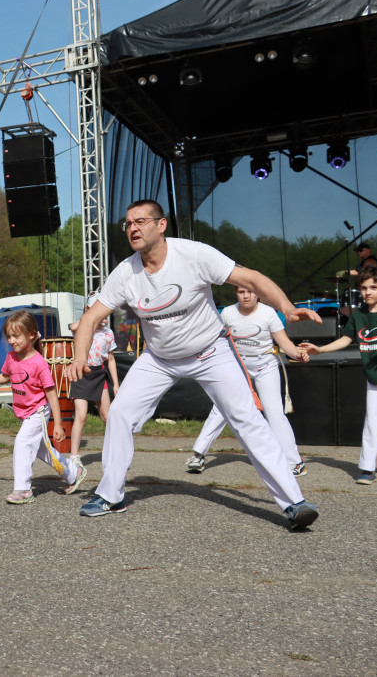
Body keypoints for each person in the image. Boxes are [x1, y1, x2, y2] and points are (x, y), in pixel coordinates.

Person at [65, 200, 320, 529]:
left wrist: (286, 307)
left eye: (140, 221)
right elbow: (90, 319)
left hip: (211, 352)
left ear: (161, 225)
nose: (133, 228)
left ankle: (293, 503)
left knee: (247, 420)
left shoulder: (194, 255)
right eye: (127, 224)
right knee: (120, 414)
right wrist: (79, 357)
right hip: (159, 359)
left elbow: (251, 277)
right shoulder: (126, 272)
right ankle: (111, 496)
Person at [185, 287, 309, 475]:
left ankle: (295, 463)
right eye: (241, 291)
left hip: (265, 365)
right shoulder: (227, 312)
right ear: (236, 293)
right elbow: (215, 338)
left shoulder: (268, 313)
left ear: (258, 293)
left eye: (250, 291)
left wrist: (298, 355)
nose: (245, 295)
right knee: (221, 407)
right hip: (237, 365)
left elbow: (284, 343)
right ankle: (198, 455)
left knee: (274, 412)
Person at [0, 311, 85, 503]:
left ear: (31, 334)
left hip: (38, 412)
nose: (12, 341)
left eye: (16, 336)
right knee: (43, 450)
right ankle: (73, 473)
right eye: (9, 336)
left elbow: (51, 394)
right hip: (24, 413)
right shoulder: (12, 357)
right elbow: (6, 376)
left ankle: (23, 490)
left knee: (22, 443)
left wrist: (57, 424)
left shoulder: (39, 363)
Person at [300, 263, 377, 485]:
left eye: (373, 287)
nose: (367, 292)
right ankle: (367, 469)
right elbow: (345, 339)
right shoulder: (359, 315)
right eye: (363, 288)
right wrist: (320, 349)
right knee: (373, 421)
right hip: (376, 377)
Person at [66, 294, 120, 464]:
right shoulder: (82, 326)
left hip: (99, 375)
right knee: (81, 416)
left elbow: (110, 359)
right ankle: (74, 457)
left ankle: (115, 454)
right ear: (88, 310)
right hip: (81, 373)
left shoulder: (108, 333)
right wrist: (91, 319)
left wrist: (116, 384)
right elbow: (73, 326)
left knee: (107, 417)